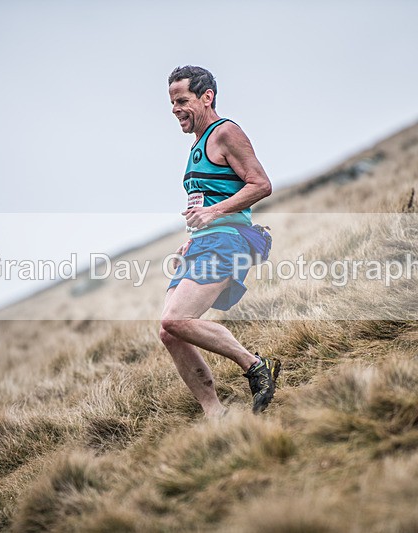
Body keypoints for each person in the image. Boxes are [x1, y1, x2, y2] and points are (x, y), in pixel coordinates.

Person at [160, 65, 281, 417]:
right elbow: (207, 202)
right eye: (171, 103)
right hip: (204, 243)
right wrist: (193, 237)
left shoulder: (225, 132)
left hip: (228, 241)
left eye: (182, 100)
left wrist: (212, 217)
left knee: (174, 321)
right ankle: (216, 415)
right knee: (170, 333)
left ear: (207, 97)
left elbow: (261, 184)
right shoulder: (198, 145)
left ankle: (255, 365)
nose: (175, 109)